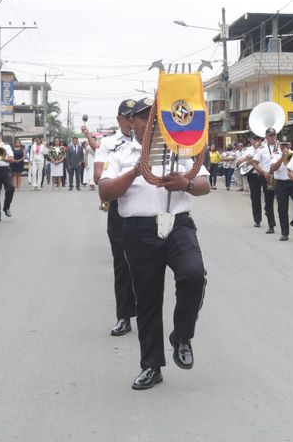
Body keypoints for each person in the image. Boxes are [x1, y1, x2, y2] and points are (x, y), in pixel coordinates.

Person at [99, 97, 209, 391]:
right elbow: (105, 192)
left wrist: (186, 183)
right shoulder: (120, 155)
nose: (152, 122)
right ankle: (151, 366)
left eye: (156, 117)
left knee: (193, 275)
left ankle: (182, 334)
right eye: (145, 117)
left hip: (178, 224)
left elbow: (204, 185)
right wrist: (135, 171)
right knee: (147, 299)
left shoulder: (181, 150)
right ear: (132, 121)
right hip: (138, 230)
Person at [83, 99, 137, 336]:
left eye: (136, 116)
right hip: (119, 207)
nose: (132, 121)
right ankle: (124, 316)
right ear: (119, 119)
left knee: (148, 267)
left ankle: (147, 314)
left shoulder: (151, 141)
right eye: (127, 117)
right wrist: (129, 175)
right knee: (122, 264)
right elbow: (99, 176)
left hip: (148, 208)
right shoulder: (108, 143)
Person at [253, 128, 281, 234]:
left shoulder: (281, 146)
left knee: (281, 201)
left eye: (274, 134)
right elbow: (254, 163)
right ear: (266, 137)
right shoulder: (262, 149)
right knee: (269, 201)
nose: (273, 137)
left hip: (280, 177)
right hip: (267, 177)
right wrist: (263, 173)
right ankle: (271, 225)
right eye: (270, 135)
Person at [272, 138, 293, 241]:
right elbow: (273, 168)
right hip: (280, 183)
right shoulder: (275, 154)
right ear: (279, 145)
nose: (284, 147)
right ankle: (284, 233)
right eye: (282, 145)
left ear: (290, 145)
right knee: (282, 208)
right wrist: (282, 157)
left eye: (286, 145)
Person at [0, 130, 15, 221]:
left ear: (0, 136)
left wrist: (1, 157)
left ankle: (6, 207)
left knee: (10, 187)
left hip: (5, 169)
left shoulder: (6, 146)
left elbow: (11, 159)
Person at [239, 135, 263, 227]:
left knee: (269, 197)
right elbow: (239, 161)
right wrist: (247, 158)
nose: (256, 141)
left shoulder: (265, 148)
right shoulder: (247, 150)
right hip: (253, 175)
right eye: (254, 139)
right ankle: (257, 219)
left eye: (258, 139)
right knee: (255, 198)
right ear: (251, 140)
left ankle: (269, 214)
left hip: (264, 173)